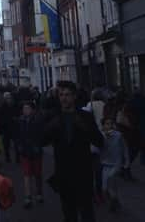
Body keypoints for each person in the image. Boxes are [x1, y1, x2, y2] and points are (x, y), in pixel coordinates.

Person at [42, 81, 104, 222]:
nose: (64, 98)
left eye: (67, 94)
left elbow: (99, 141)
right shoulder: (54, 117)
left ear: (74, 97)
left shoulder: (85, 117)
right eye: (61, 94)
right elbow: (42, 140)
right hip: (64, 174)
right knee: (69, 213)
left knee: (87, 212)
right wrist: (52, 126)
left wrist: (84, 127)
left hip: (83, 172)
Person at [17, 101, 44, 208]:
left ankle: (39, 193)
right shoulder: (20, 120)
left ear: (32, 110)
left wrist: (38, 145)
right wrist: (19, 145)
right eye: (24, 108)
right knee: (26, 174)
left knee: (37, 173)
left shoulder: (38, 120)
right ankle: (28, 196)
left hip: (35, 150)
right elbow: (18, 134)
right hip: (25, 151)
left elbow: (41, 134)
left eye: (27, 108)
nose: (25, 110)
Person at [100, 116, 128, 213]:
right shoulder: (101, 135)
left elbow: (125, 148)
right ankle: (115, 201)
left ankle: (113, 205)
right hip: (105, 164)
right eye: (107, 124)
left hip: (116, 163)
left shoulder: (119, 135)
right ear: (103, 125)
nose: (110, 125)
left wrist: (126, 163)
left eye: (111, 123)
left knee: (111, 180)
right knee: (104, 189)